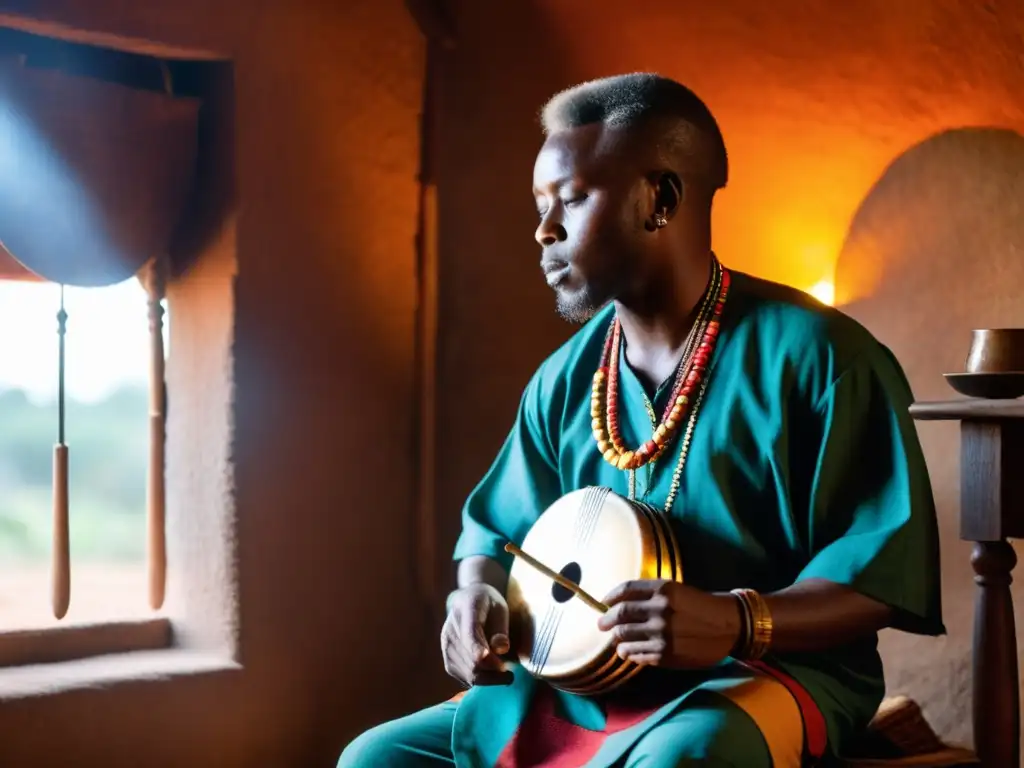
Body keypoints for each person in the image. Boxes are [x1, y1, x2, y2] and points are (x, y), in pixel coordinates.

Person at [339, 73, 943, 767]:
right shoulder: (567, 377)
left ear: (660, 200)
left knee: (686, 757)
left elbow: (875, 580)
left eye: (570, 200)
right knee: (373, 759)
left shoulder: (824, 359)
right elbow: (494, 538)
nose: (544, 230)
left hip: (765, 671)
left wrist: (734, 621)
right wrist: (472, 599)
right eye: (539, 205)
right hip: (575, 682)